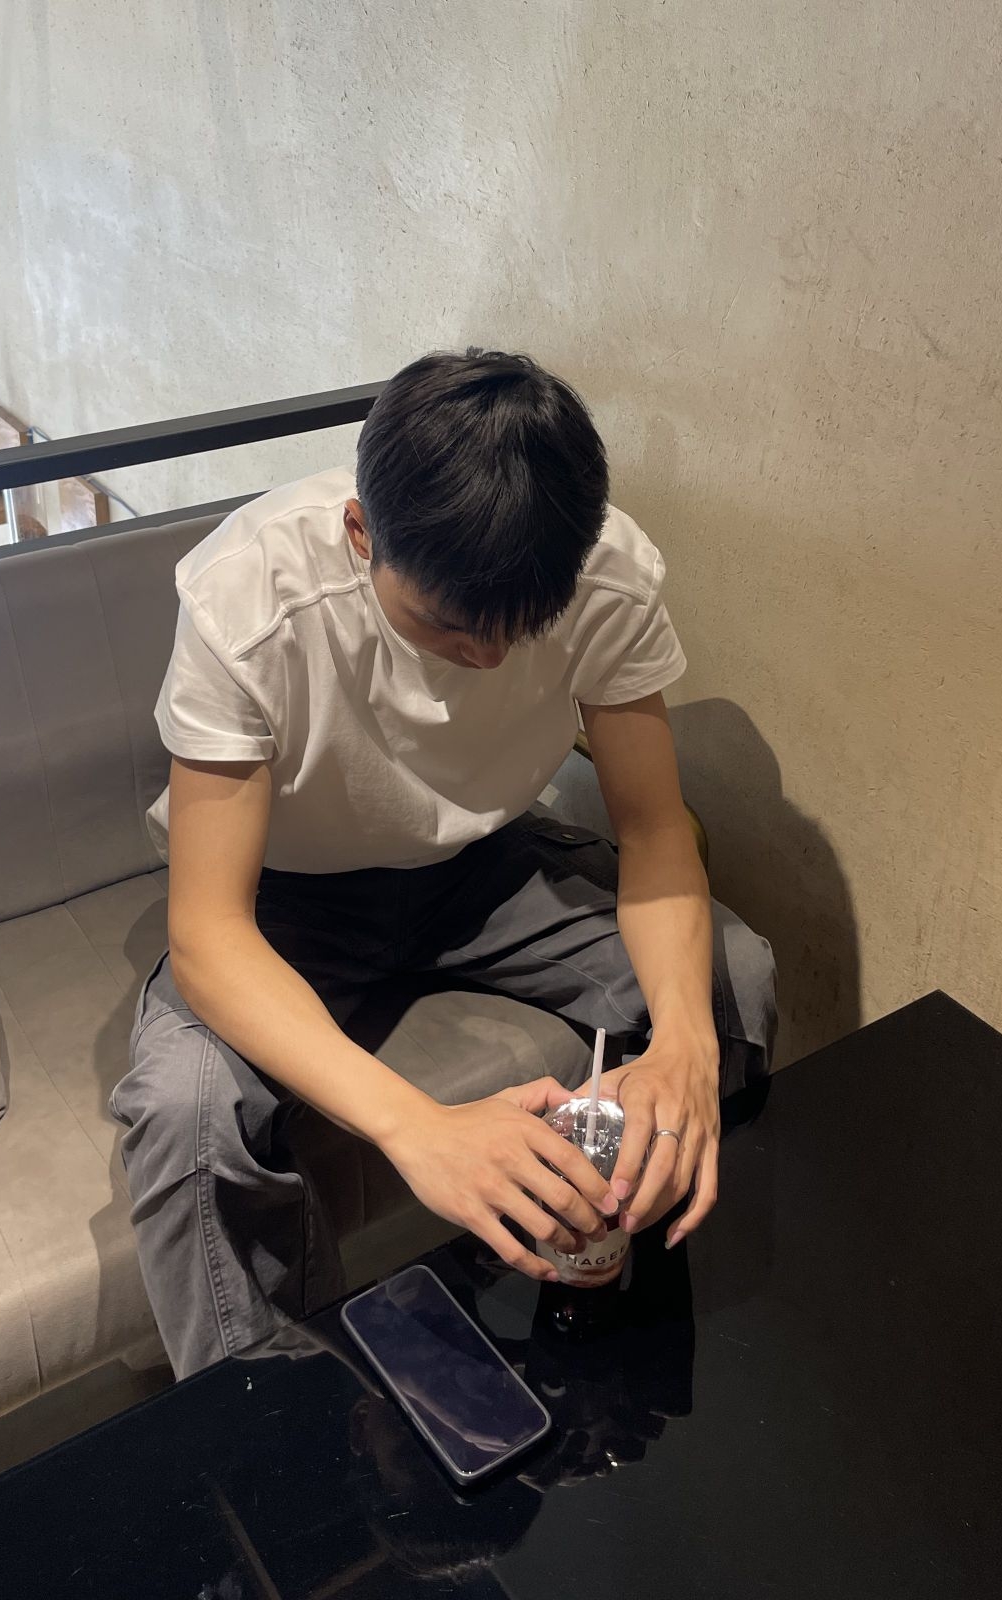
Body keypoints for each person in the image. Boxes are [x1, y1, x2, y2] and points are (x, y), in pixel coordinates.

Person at [112, 350, 777, 1377]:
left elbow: (654, 831)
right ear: (360, 533)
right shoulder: (247, 601)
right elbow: (208, 932)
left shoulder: (603, 572)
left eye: (522, 631)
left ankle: (622, 1311)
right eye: (449, 628)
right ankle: (278, 1419)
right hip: (289, 899)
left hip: (486, 865)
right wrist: (417, 1128)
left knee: (735, 976)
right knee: (182, 1113)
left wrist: (686, 1044)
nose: (488, 660)